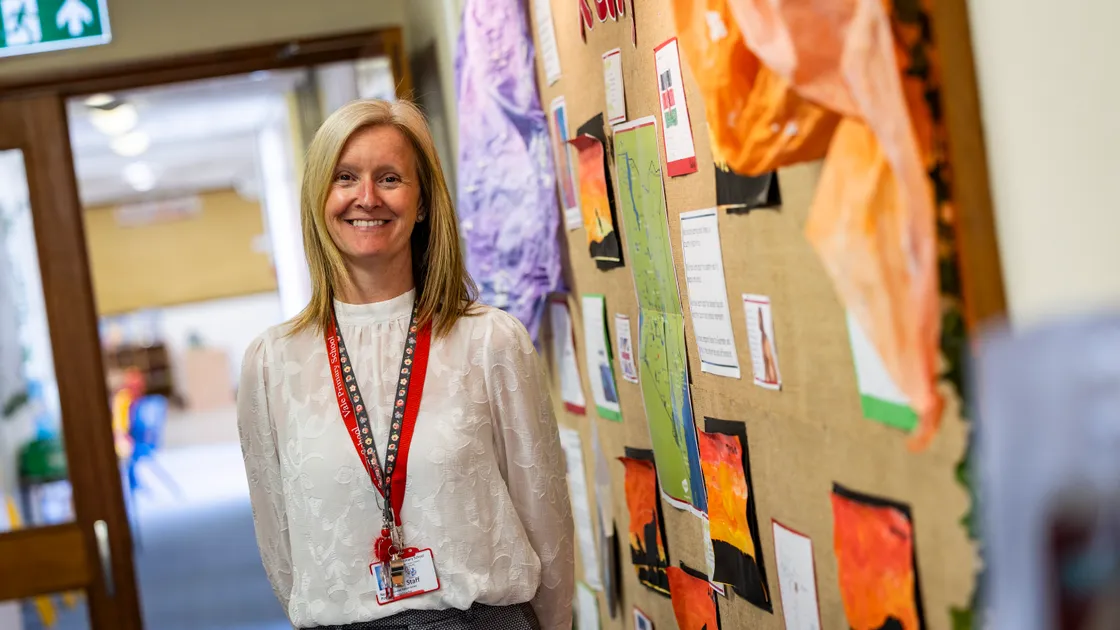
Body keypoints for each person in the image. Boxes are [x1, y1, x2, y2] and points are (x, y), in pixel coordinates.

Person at [237, 99, 574, 630]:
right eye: (344, 177)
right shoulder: (271, 362)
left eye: (390, 178)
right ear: (318, 199)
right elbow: (281, 550)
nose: (365, 197)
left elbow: (547, 524)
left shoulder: (490, 342)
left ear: (421, 204)